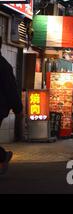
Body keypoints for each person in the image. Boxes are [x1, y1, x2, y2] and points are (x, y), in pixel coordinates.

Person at [0, 36, 23, 175]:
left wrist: (18, 109)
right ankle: (3, 156)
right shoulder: (4, 65)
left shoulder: (3, 66)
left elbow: (11, 90)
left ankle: (3, 156)